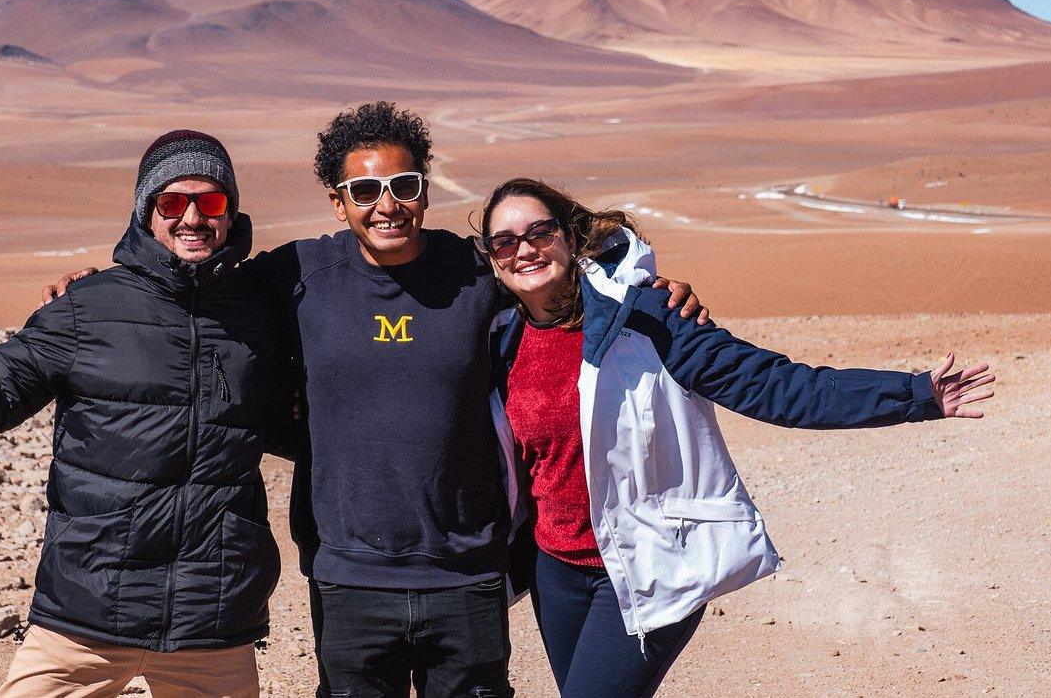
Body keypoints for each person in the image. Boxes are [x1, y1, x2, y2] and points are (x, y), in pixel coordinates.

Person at [47, 103, 707, 696]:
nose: (386, 204)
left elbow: (562, 272)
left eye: (403, 186)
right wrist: (104, 289)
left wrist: (653, 290)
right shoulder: (298, 273)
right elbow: (192, 284)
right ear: (339, 202)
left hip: (467, 572)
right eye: (364, 190)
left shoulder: (476, 271)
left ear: (423, 190)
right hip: (349, 577)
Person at [477, 177, 997, 698]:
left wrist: (913, 396)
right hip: (557, 572)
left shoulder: (649, 319)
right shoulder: (500, 338)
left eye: (539, 232)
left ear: (569, 236)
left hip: (650, 564)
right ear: (493, 258)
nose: (524, 250)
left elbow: (773, 385)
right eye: (505, 241)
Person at [0, 130, 295, 698]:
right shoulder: (86, 308)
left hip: (212, 618)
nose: (193, 217)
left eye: (213, 201)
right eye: (173, 202)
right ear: (146, 211)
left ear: (232, 211)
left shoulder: (262, 314)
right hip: (89, 610)